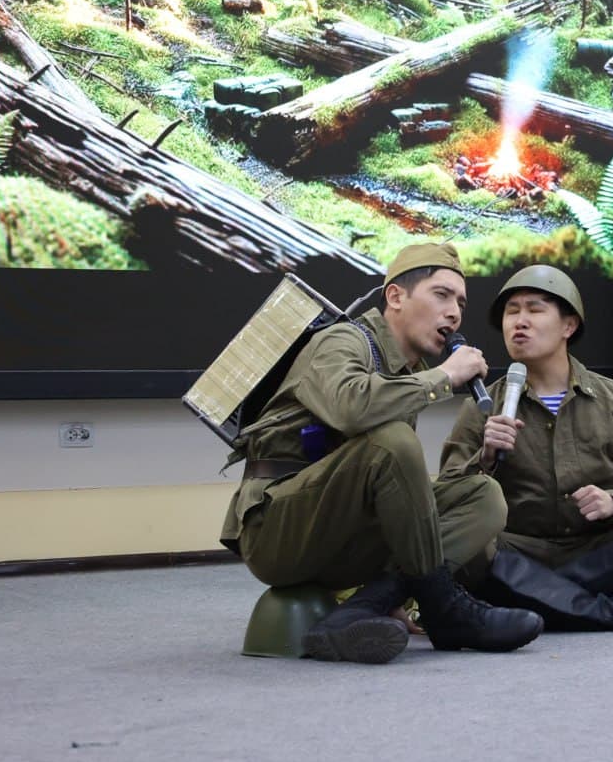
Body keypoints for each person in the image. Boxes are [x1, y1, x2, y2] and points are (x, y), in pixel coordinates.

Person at [218, 243, 544, 664]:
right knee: (392, 440)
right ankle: (444, 608)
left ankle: (360, 610)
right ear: (395, 296)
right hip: (277, 533)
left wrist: (482, 455)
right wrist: (445, 375)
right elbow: (350, 408)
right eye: (441, 295)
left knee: (481, 495)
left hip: (343, 537)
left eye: (460, 303)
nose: (454, 313)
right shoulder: (342, 341)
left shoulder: (403, 375)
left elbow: (399, 497)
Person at [439, 265, 613, 631]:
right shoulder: (483, 405)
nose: (519, 321)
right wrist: (485, 457)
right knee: (467, 547)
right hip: (515, 550)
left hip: (593, 548)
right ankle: (605, 611)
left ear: (568, 326)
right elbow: (449, 495)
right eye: (511, 311)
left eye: (535, 310)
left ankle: (533, 602)